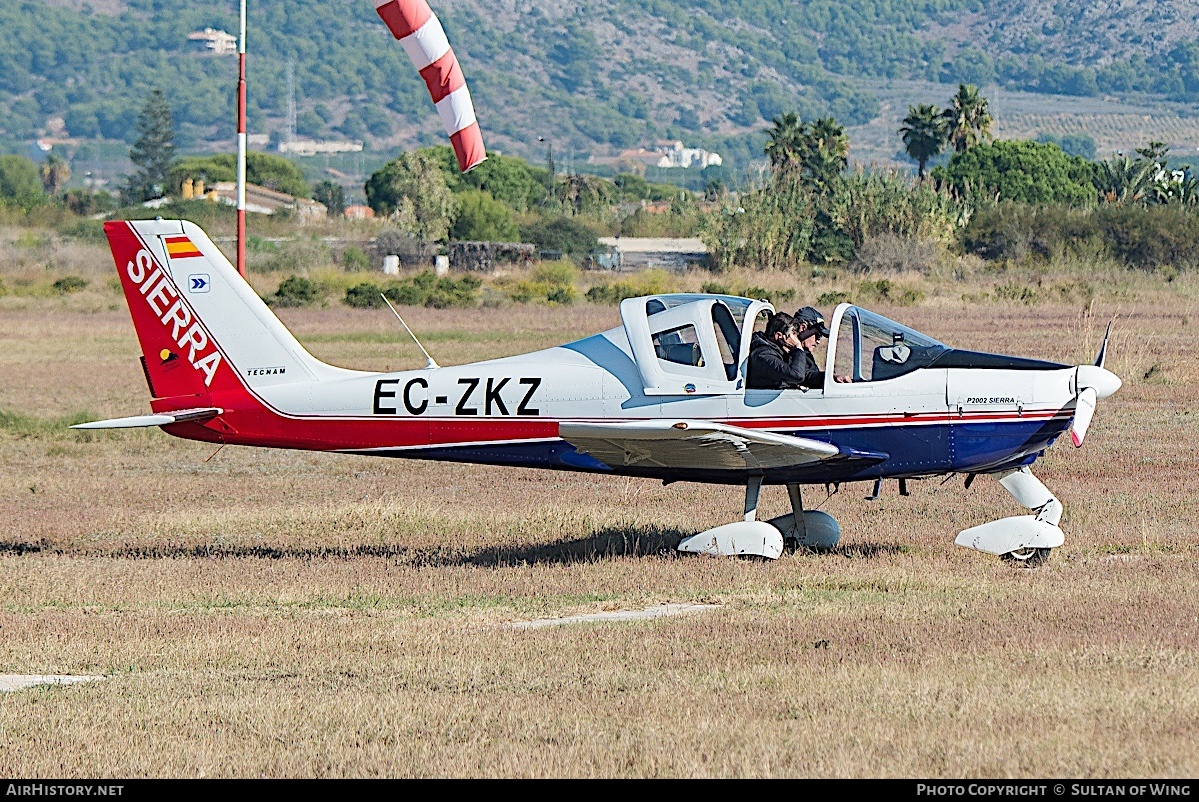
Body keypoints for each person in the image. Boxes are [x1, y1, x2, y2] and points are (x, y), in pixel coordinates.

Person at [747, 311, 823, 389]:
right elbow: (797, 375)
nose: (796, 338)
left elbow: (804, 374)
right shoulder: (764, 357)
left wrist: (827, 378)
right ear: (779, 336)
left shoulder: (780, 351)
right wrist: (798, 348)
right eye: (793, 334)